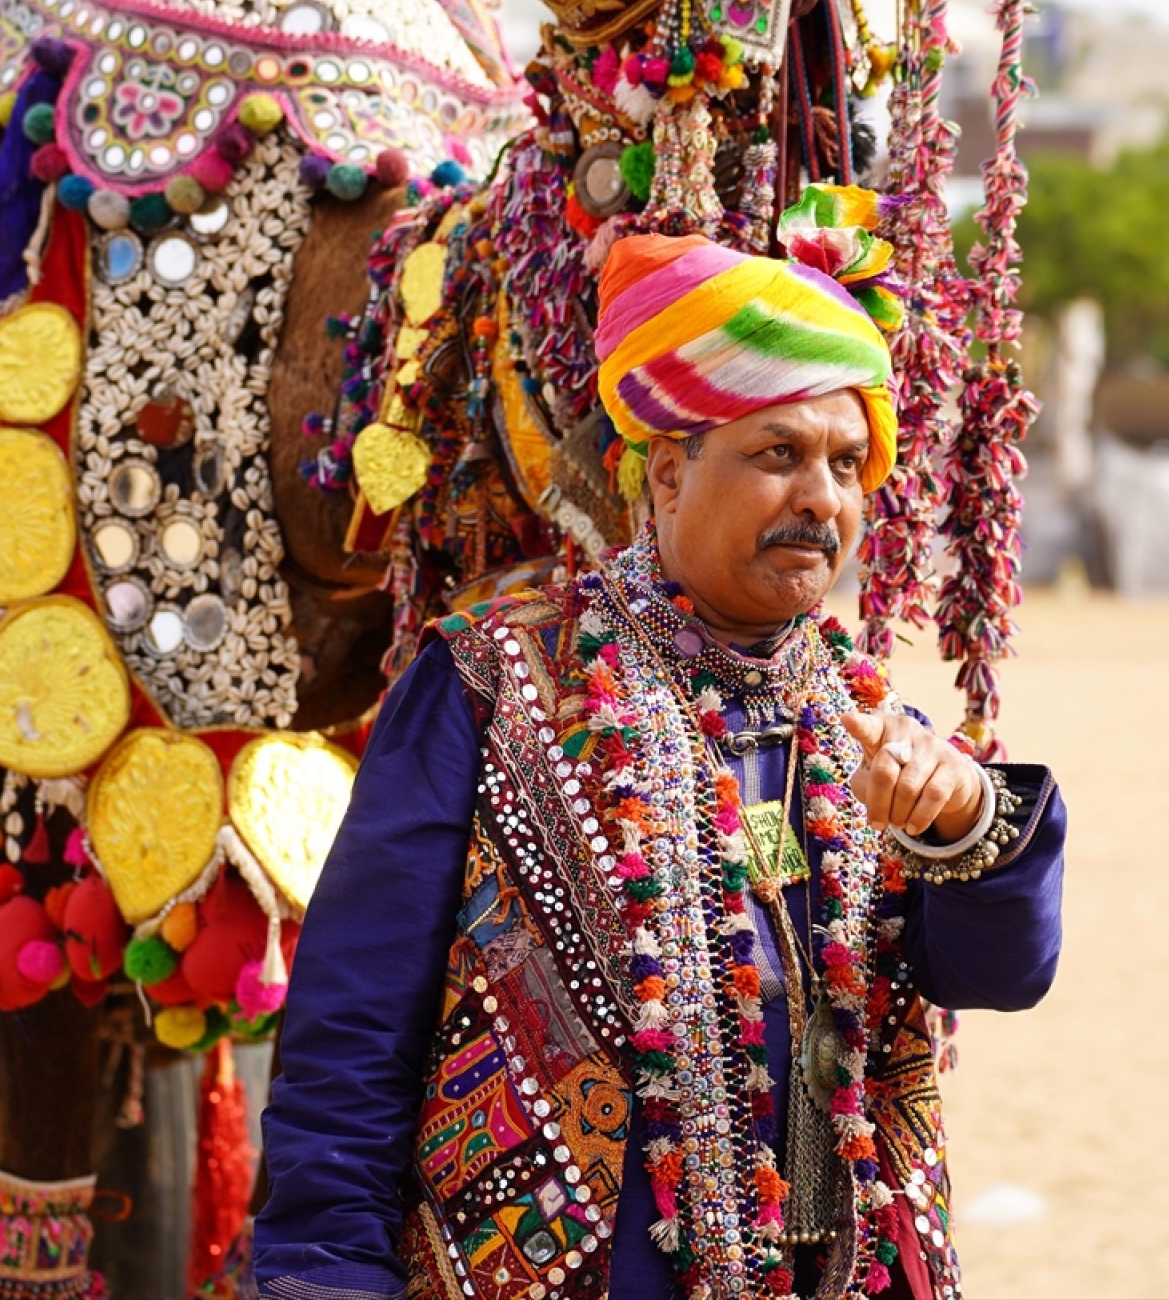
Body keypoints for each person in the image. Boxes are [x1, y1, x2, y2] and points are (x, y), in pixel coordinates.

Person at [254, 188, 1065, 1300]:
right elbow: (352, 1033)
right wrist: (323, 1276)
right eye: (776, 452)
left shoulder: (861, 714)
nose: (818, 499)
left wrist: (969, 825)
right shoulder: (492, 680)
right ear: (669, 473)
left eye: (844, 464)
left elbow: (1000, 971)